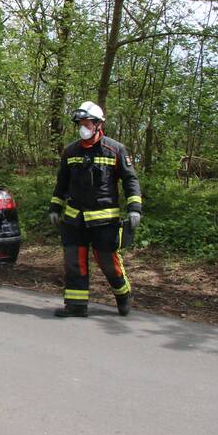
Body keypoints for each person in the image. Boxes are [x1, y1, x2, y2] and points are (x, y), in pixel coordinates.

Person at [49, 101, 143, 317]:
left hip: (105, 220)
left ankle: (123, 295)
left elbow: (131, 180)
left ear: (98, 124)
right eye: (80, 123)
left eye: (87, 123)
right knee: (74, 261)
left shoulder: (115, 149)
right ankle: (76, 305)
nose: (83, 127)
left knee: (108, 262)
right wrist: (55, 207)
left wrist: (135, 208)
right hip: (74, 219)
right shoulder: (70, 151)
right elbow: (62, 183)